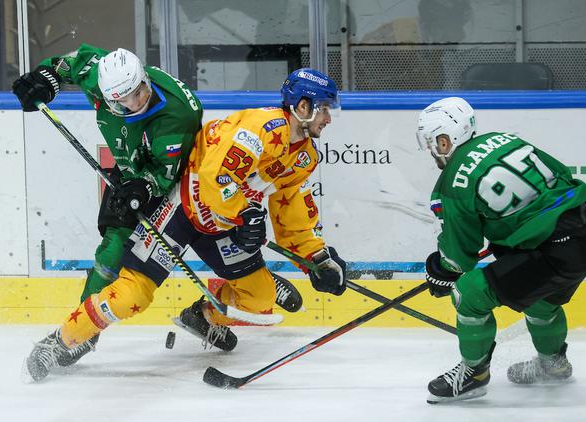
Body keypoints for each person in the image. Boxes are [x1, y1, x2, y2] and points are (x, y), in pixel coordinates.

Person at [22, 68, 348, 383]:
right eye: (324, 109)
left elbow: (291, 213)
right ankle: (59, 342)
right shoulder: (259, 130)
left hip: (222, 223)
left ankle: (203, 318)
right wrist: (243, 213)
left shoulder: (304, 157)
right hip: (182, 210)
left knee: (260, 297)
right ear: (302, 107)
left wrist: (315, 259)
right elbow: (213, 177)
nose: (329, 118)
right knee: (130, 295)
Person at [12, 44, 205, 366]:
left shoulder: (177, 115)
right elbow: (70, 63)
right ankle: (80, 334)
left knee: (210, 241)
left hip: (175, 182)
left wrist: (145, 186)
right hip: (131, 171)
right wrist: (45, 78)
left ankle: (213, 314)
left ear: (143, 77)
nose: (135, 102)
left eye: (138, 92)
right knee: (111, 252)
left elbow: (165, 174)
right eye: (123, 100)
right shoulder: (100, 77)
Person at [415, 97, 586, 403]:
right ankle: (553, 364)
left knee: (468, 293)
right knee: (539, 298)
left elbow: (459, 257)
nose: (431, 151)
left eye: (431, 143)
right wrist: (511, 236)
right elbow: (559, 178)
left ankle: (473, 375)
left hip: (554, 250)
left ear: (444, 139)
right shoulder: (504, 140)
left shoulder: (452, 182)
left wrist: (440, 270)